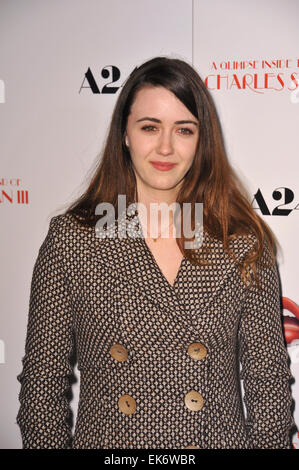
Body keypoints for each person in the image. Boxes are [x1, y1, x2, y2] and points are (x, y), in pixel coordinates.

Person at [16, 56, 295, 449]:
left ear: (201, 141)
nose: (166, 146)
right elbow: (42, 388)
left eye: (184, 130)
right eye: (150, 127)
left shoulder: (242, 242)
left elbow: (269, 385)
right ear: (125, 134)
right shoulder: (72, 240)